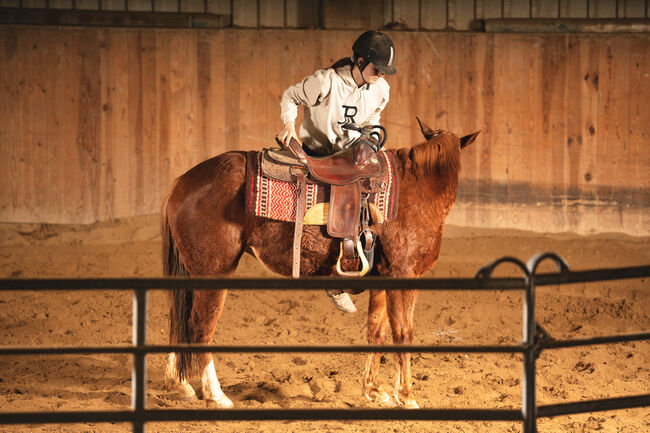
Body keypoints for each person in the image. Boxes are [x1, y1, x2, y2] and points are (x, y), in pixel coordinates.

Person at [278, 30, 397, 314]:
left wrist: (368, 135)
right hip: (318, 152)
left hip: (352, 153)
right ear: (359, 60)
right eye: (377, 68)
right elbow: (290, 95)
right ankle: (328, 275)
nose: (382, 74)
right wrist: (289, 126)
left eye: (385, 70)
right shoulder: (326, 81)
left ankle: (358, 262)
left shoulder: (382, 89)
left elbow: (373, 117)